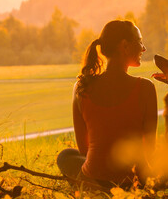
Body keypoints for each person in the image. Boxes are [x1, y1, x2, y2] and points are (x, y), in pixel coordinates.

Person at [57, 20, 158, 190]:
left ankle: (91, 189)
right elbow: (149, 151)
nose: (143, 48)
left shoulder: (81, 88)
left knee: (66, 155)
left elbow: (84, 149)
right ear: (124, 46)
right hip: (131, 184)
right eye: (140, 41)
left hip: (94, 180)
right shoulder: (146, 88)